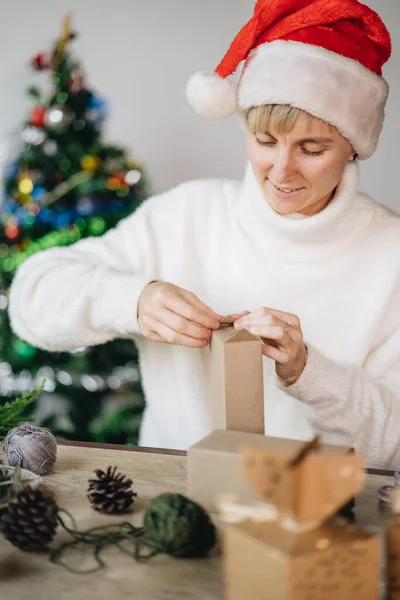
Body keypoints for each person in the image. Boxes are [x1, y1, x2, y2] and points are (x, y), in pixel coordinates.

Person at [8, 0, 400, 468]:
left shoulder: (388, 255)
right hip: (170, 497)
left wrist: (308, 372)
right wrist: (132, 301)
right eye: (265, 141)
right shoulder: (187, 214)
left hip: (317, 519)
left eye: (312, 148)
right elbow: (31, 297)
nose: (281, 170)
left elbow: (389, 445)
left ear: (353, 148)